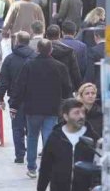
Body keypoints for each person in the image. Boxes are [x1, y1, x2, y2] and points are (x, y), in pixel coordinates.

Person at [10, 39, 72, 178]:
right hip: (52, 109)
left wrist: (14, 106)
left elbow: (20, 87)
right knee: (49, 137)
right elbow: (67, 88)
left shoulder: (29, 65)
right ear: (51, 50)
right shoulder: (59, 66)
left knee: (32, 137)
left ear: (37, 49)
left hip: (32, 109)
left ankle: (32, 167)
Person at [0, 32, 35, 164]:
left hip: (15, 100)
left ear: (17, 41)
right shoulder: (35, 57)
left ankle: (19, 155)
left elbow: (3, 81)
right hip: (33, 99)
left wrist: (0, 97)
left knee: (17, 128)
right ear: (28, 41)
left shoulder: (9, 59)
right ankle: (31, 153)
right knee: (31, 128)